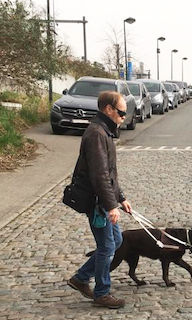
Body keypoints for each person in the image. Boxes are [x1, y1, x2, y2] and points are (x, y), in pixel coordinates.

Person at [67, 91, 133, 309]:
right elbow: (99, 175)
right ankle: (102, 293)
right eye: (121, 112)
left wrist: (120, 198)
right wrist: (110, 204)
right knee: (106, 247)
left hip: (103, 200)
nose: (124, 116)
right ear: (109, 109)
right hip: (97, 202)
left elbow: (110, 173)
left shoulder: (104, 131)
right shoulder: (97, 134)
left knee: (117, 241)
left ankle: (81, 278)